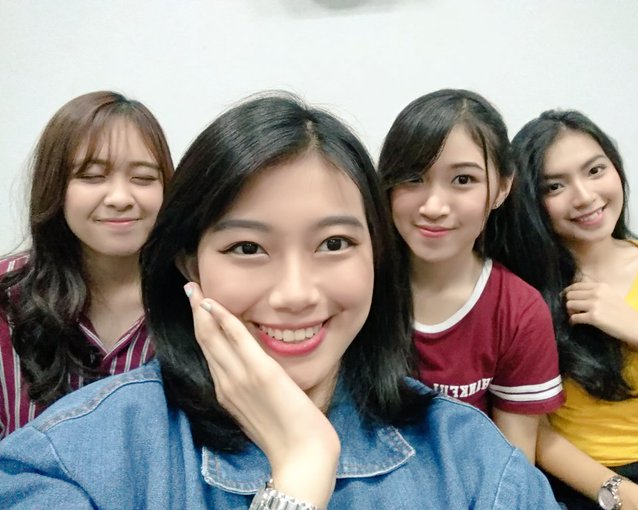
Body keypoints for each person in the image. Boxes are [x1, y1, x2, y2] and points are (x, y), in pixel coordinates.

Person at [0, 93, 560, 509]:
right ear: (190, 263)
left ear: (377, 254)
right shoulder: (65, 467)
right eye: (247, 247)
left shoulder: (476, 466)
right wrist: (299, 471)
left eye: (334, 244)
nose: (295, 294)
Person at [497, 109, 638, 509]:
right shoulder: (523, 293)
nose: (584, 196)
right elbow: (537, 433)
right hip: (587, 489)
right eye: (555, 186)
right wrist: (631, 499)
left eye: (595, 170)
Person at [378, 89, 564, 463]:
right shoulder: (359, 285)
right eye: (413, 178)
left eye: (463, 180)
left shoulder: (518, 311)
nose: (433, 207)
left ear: (502, 188)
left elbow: (513, 466)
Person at [0, 91, 173, 438]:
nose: (120, 198)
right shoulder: (6, 295)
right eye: (92, 176)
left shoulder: (198, 298)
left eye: (143, 178)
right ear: (55, 187)